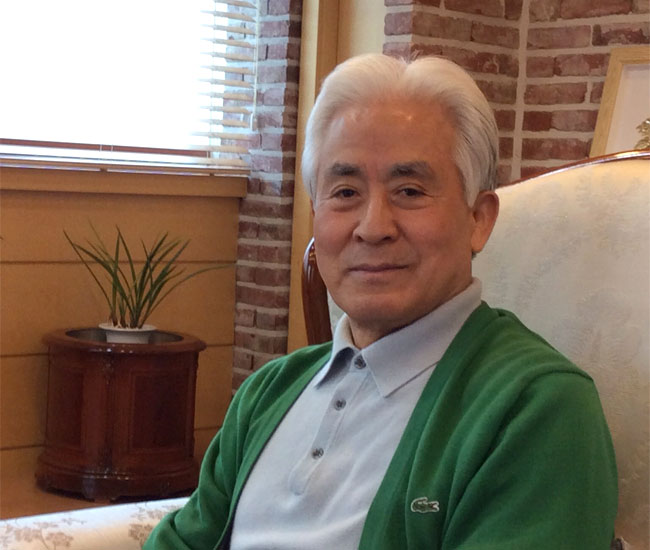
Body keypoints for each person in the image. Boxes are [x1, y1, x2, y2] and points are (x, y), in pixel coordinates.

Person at [144, 54, 617, 550]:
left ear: (478, 219)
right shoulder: (268, 392)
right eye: (345, 192)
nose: (373, 228)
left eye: (409, 191)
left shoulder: (536, 409)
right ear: (315, 216)